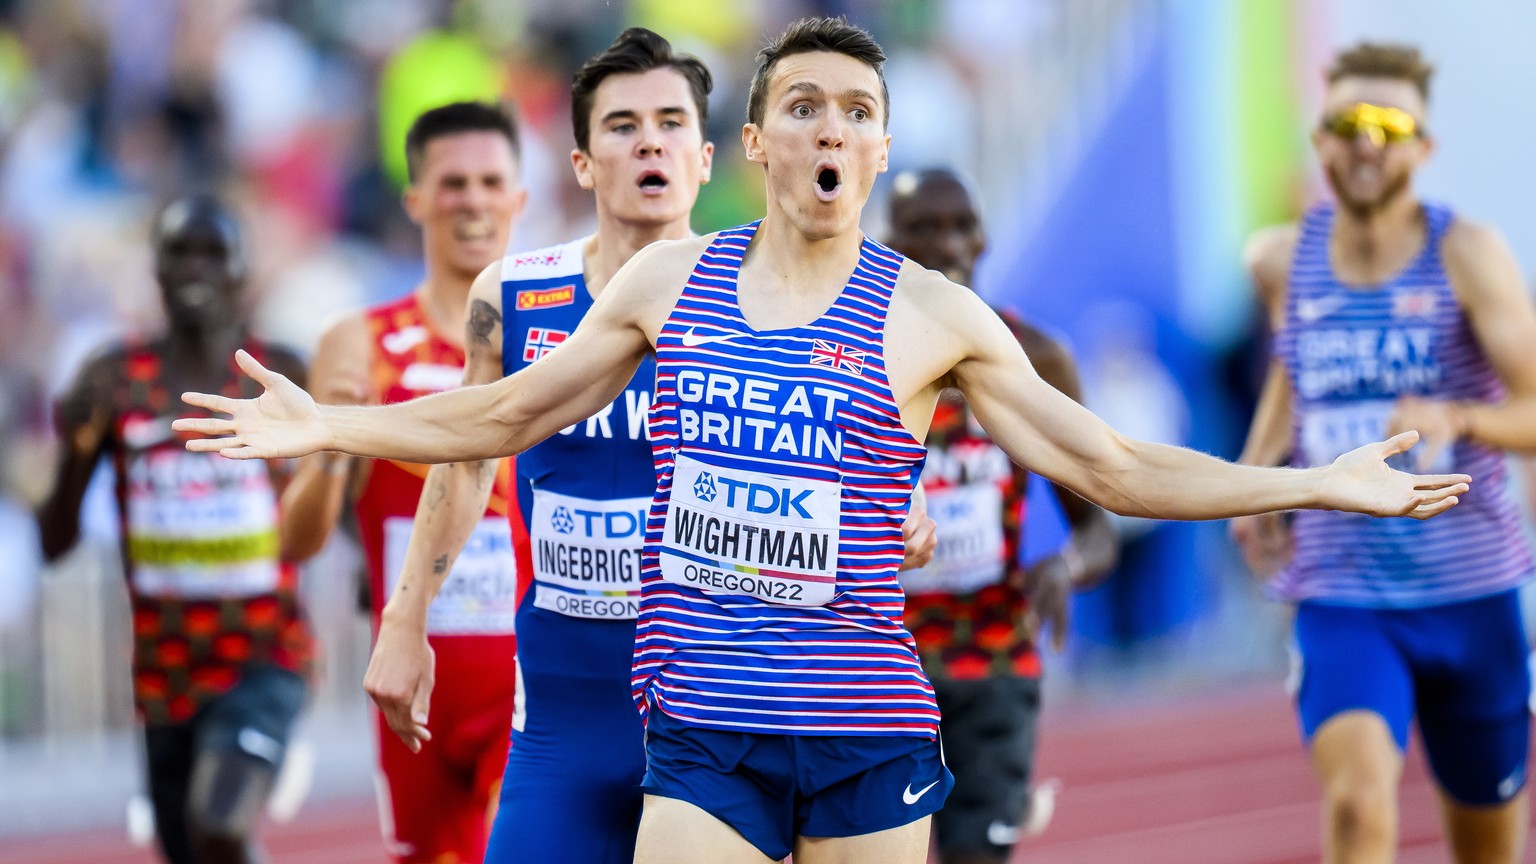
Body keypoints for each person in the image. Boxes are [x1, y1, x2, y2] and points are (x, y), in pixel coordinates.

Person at [177, 19, 1469, 864]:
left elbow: (1112, 466)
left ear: (881, 143)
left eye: (856, 108)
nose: (831, 127)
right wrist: (330, 421)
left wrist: (1318, 481)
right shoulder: (669, 285)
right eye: (803, 106)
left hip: (864, 731)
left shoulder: (930, 315)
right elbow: (506, 414)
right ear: (757, 144)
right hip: (702, 731)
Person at [362, 29, 714, 864]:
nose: (649, 141)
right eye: (623, 126)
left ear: (704, 156)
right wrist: (404, 621)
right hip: (562, 726)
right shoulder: (515, 296)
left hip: (714, 723)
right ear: (584, 164)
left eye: (670, 123)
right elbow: (466, 459)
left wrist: (901, 493)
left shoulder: (761, 301)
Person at [1232, 42, 1536, 864]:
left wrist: (1460, 416)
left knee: (1488, 849)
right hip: (1345, 592)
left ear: (1423, 148)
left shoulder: (1467, 253)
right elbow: (1295, 372)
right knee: (1361, 809)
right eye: (1348, 122)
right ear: (1321, 139)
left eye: (1390, 124)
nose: (1368, 141)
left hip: (1473, 593)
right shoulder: (1279, 258)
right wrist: (1256, 482)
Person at [277, 102, 526, 864]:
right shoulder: (360, 344)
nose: (474, 200)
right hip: (411, 687)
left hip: (529, 685)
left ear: (519, 195)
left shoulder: (558, 334)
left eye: (492, 181)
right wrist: (330, 442)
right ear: (415, 199)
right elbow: (297, 538)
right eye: (454, 183)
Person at [38, 196, 312, 864]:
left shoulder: (280, 373)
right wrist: (76, 451)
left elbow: (336, 483)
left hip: (263, 658)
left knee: (219, 822)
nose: (196, 268)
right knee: (193, 846)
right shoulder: (113, 381)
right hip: (163, 675)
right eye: (179, 252)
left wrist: (375, 576)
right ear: (154, 270)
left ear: (242, 270)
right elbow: (55, 541)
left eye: (213, 253)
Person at [885, 167, 1118, 864]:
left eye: (960, 225)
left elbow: (1098, 528)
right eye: (923, 230)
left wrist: (1065, 567)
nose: (947, 244)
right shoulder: (855, 361)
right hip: (880, 665)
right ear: (888, 245)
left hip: (994, 662)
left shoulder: (1035, 361)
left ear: (984, 237)